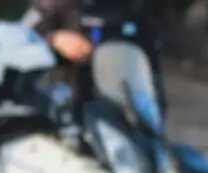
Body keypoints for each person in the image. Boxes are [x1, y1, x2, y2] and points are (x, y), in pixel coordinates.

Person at [27, 0, 166, 119]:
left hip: (120, 114)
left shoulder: (135, 8)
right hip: (68, 108)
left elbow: (150, 81)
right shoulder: (54, 4)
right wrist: (54, 39)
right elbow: (24, 37)